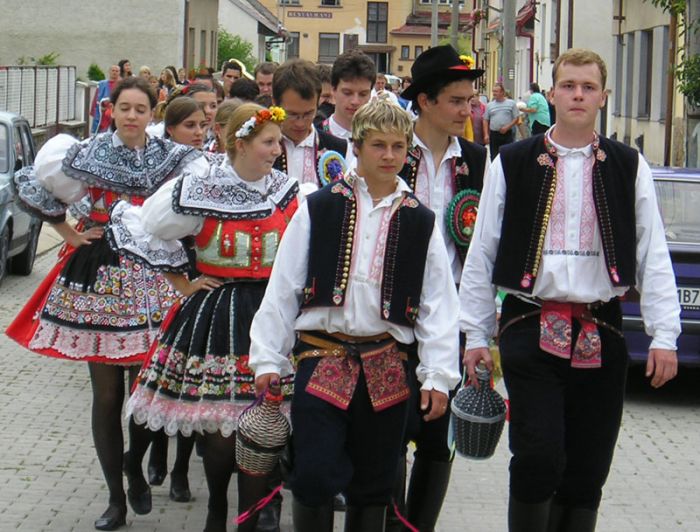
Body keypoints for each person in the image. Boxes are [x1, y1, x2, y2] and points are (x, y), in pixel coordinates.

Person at [459, 48, 680, 532]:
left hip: (602, 325)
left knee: (588, 465)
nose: (578, 95)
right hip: (528, 320)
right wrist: (475, 334)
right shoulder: (513, 161)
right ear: (552, 94)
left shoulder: (628, 165)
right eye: (568, 85)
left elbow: (652, 251)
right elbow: (483, 249)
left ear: (603, 96)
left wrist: (664, 335)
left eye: (588, 87)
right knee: (538, 452)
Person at [248, 99, 460, 532]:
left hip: (388, 363)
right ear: (357, 147)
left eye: (398, 147)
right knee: (313, 475)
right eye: (378, 145)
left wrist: (438, 376)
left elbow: (438, 303)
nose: (388, 156)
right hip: (322, 356)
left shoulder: (421, 220)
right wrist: (268, 357)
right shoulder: (319, 206)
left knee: (375, 483)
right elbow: (284, 286)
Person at [7, 76, 208, 531]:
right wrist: (69, 232)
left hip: (155, 276)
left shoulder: (173, 156)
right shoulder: (85, 152)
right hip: (99, 276)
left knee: (145, 391)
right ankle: (116, 498)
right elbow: (41, 188)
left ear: (152, 113)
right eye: (125, 108)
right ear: (111, 110)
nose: (132, 116)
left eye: (140, 109)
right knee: (107, 395)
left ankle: (134, 464)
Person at [110, 103, 297, 532]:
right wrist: (183, 282)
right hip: (219, 313)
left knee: (267, 421)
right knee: (219, 429)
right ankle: (215, 508)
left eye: (277, 142)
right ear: (241, 143)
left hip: (272, 314)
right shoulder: (201, 188)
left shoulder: (288, 191)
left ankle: (257, 511)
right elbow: (148, 227)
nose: (276, 150)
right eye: (268, 142)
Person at [396, 44, 487, 532]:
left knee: (439, 436)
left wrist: (480, 328)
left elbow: (484, 246)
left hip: (449, 315)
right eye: (455, 100)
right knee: (391, 430)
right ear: (425, 101)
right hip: (391, 313)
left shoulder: (476, 159)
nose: (466, 110)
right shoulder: (390, 150)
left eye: (469, 100)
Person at [272, 59, 347, 189]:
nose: (300, 123)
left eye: (308, 113)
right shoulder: (258, 146)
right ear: (274, 103)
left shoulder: (336, 147)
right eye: (292, 114)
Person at [320, 49, 375, 141]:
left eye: (363, 94)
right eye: (347, 93)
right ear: (334, 89)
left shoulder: (380, 138)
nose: (355, 101)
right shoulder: (314, 137)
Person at [483, 82, 520, 160]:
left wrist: (508, 127)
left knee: (507, 155)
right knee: (494, 156)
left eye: (496, 91)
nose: (494, 93)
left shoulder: (511, 103)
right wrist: (486, 134)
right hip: (494, 134)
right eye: (493, 91)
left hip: (507, 134)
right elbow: (485, 120)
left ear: (502, 92)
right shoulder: (489, 105)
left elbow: (516, 118)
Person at [90, 65, 120, 135]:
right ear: (109, 71)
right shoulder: (102, 84)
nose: (114, 72)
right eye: (113, 70)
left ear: (119, 73)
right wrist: (94, 112)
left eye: (117, 71)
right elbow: (96, 99)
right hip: (102, 115)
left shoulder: (121, 84)